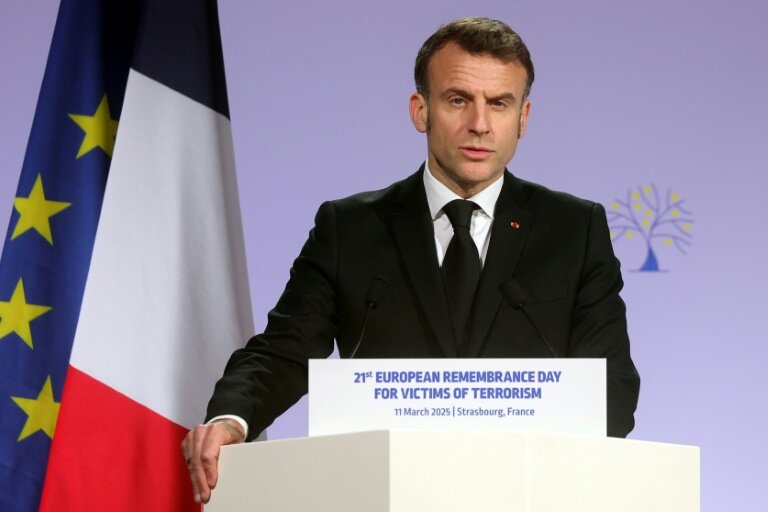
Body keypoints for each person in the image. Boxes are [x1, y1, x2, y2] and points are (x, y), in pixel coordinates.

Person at [182, 17, 640, 504]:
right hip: (383, 494)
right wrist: (231, 418)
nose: (480, 124)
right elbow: (283, 351)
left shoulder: (574, 229)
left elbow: (611, 385)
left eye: (499, 103)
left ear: (523, 118)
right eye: (458, 100)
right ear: (421, 110)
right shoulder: (350, 228)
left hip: (528, 495)